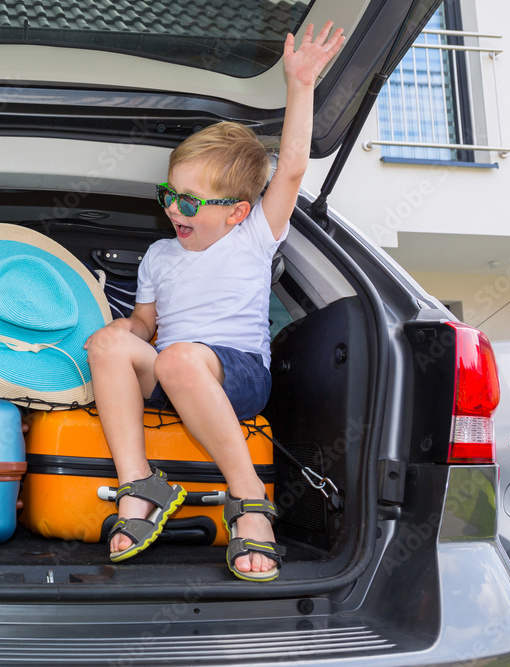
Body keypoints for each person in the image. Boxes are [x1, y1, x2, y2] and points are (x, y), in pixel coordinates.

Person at [85, 22, 344, 580]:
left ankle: (249, 502)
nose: (174, 209)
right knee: (110, 342)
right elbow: (145, 326)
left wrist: (300, 86)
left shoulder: (253, 237)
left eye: (190, 201)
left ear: (237, 211)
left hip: (239, 374)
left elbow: (294, 165)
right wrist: (102, 337)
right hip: (174, 372)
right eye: (169, 195)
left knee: (180, 358)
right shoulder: (157, 254)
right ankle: (141, 484)